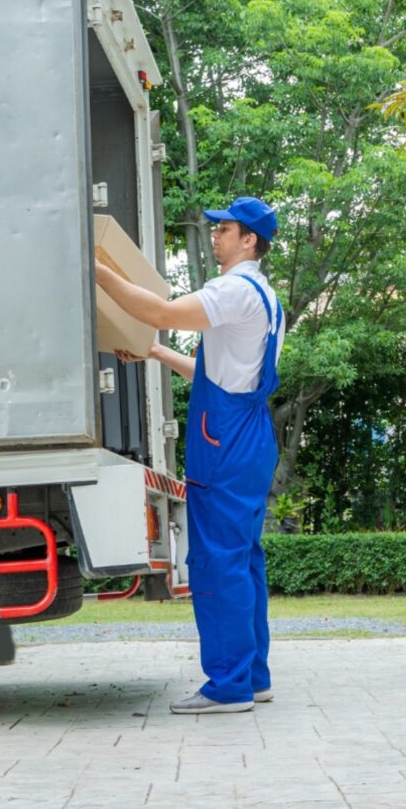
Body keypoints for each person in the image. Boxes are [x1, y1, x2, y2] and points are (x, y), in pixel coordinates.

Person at [95, 196, 285, 714]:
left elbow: (160, 312)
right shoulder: (265, 296)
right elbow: (215, 370)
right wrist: (154, 351)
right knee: (242, 559)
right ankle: (253, 677)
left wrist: (96, 270)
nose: (215, 235)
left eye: (224, 229)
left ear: (249, 240)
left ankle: (228, 687)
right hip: (248, 436)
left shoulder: (233, 289)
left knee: (216, 562)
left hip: (223, 441)